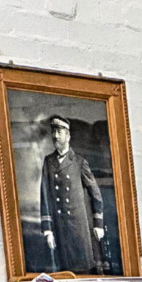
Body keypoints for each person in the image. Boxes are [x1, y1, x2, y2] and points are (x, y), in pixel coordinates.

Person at [35, 114, 113, 273]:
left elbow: (95, 194)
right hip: (59, 227)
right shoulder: (48, 162)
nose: (55, 136)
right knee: (64, 272)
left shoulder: (79, 162)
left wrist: (98, 224)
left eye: (60, 132)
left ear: (68, 136)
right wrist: (48, 229)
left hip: (78, 227)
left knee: (84, 268)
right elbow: (45, 196)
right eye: (54, 132)